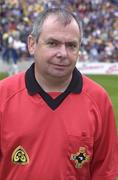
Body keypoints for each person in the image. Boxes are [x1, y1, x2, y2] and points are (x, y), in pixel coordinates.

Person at [0, 7, 117, 180]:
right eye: (53, 43)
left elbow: (104, 173)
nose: (63, 53)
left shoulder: (99, 99)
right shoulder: (3, 95)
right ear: (32, 44)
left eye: (71, 45)